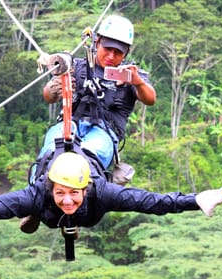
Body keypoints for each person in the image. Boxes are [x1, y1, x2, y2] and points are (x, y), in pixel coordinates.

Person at [0, 151, 222, 233]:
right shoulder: (38, 193)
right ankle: (37, 216)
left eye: (73, 194)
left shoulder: (102, 192)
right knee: (49, 152)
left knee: (102, 144)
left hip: (91, 168)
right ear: (52, 188)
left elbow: (151, 202)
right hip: (44, 192)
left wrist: (199, 200)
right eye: (62, 194)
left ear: (85, 188)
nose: (68, 200)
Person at [38, 14, 156, 185]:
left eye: (118, 52)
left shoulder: (132, 75)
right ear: (97, 42)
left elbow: (150, 99)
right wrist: (58, 83)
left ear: (126, 53)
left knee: (89, 155)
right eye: (107, 49)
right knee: (49, 152)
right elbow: (48, 97)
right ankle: (36, 192)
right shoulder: (76, 66)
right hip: (70, 124)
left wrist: (137, 82)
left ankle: (85, 192)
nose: (111, 56)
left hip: (104, 131)